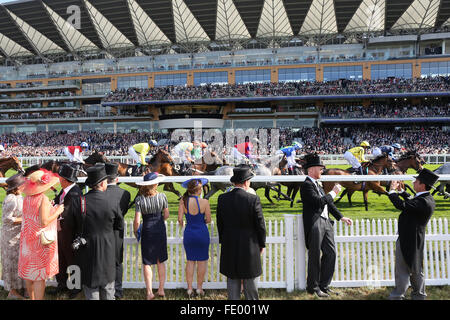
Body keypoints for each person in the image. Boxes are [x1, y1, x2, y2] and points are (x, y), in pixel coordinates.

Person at [300, 153, 352, 298]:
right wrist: (334, 193)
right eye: (320, 168)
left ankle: (324, 285)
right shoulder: (306, 186)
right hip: (315, 222)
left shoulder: (318, 185)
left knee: (331, 253)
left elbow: (328, 203)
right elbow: (318, 202)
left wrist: (341, 217)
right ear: (311, 170)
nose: (322, 170)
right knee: (315, 255)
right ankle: (313, 287)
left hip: (326, 222)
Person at [387, 168, 439, 300]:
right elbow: (411, 200)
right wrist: (401, 191)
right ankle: (418, 295)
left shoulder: (424, 202)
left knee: (403, 269)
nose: (414, 183)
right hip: (414, 239)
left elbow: (403, 205)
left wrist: (392, 191)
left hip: (409, 239)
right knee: (415, 268)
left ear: (422, 184)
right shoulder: (425, 198)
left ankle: (397, 296)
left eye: (416, 181)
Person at [216, 164, 266, 300]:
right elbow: (260, 225)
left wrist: (223, 241)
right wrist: (262, 243)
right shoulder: (253, 199)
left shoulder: (222, 199)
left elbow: (220, 224)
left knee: (232, 280)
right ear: (246, 182)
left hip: (230, 243)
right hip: (250, 244)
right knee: (250, 281)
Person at [74, 164, 124, 300]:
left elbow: (75, 225)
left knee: (91, 288)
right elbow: (119, 225)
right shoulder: (112, 202)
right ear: (102, 183)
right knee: (108, 287)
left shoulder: (80, 201)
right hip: (107, 249)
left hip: (87, 249)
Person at [18, 169, 64, 300]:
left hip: (27, 238)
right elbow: (44, 222)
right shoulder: (43, 198)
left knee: (28, 273)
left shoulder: (26, 198)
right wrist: (57, 211)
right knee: (39, 276)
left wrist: (48, 208)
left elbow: (32, 215)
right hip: (38, 241)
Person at [134, 172, 169, 300]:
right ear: (155, 184)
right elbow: (166, 215)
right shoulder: (162, 197)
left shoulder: (139, 199)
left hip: (147, 230)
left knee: (147, 262)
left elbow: (137, 221)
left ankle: (149, 292)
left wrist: (136, 231)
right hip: (159, 228)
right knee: (161, 260)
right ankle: (161, 289)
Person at [52, 164, 83, 299]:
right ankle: (62, 284)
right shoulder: (64, 191)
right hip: (61, 232)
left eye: (60, 177)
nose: (58, 179)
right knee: (61, 259)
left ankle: (75, 287)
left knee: (72, 260)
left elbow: (70, 213)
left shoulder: (75, 192)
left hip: (70, 233)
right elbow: (58, 203)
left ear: (65, 179)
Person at [178, 178, 211, 297]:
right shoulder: (204, 202)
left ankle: (189, 288)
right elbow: (208, 220)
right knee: (202, 261)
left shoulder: (183, 201)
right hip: (202, 233)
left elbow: (180, 220)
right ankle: (199, 288)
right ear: (199, 190)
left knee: (190, 261)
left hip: (189, 233)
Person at [105, 162, 131, 300]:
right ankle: (118, 290)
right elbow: (123, 212)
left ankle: (106, 288)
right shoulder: (125, 194)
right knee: (117, 262)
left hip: (103, 230)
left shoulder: (100, 192)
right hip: (117, 231)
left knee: (103, 261)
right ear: (117, 179)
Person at [1, 173, 26, 299]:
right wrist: (25, 219)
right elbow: (7, 219)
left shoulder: (19, 197)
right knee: (10, 263)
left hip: (18, 234)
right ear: (18, 187)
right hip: (10, 236)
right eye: (23, 184)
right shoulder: (11, 198)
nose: (25, 185)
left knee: (18, 263)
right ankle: (12, 292)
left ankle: (19, 288)